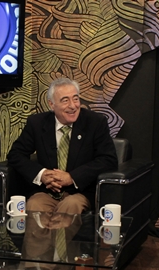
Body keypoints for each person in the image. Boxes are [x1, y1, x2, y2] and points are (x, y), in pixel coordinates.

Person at [7, 77, 118, 214]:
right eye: (65, 100)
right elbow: (15, 154)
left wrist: (72, 177)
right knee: (34, 205)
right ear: (52, 104)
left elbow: (108, 159)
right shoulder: (37, 123)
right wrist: (41, 174)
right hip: (47, 191)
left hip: (80, 192)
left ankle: (60, 230)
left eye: (75, 99)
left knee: (70, 206)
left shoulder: (95, 122)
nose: (73, 106)